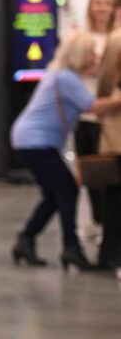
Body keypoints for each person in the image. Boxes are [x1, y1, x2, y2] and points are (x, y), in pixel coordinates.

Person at [10, 32, 121, 269]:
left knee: (53, 195)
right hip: (36, 141)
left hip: (30, 140)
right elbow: (94, 106)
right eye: (92, 52)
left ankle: (26, 239)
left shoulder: (61, 75)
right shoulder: (66, 78)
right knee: (68, 189)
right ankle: (71, 248)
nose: (95, 57)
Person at [74, 0, 116, 226]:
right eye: (97, 3)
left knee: (109, 176)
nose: (101, 8)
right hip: (84, 116)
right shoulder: (80, 37)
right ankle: (96, 220)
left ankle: (108, 225)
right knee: (90, 173)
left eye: (106, 3)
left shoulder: (116, 37)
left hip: (109, 117)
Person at [95, 29, 121, 275]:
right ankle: (110, 253)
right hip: (118, 130)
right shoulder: (116, 39)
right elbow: (104, 84)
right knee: (115, 194)